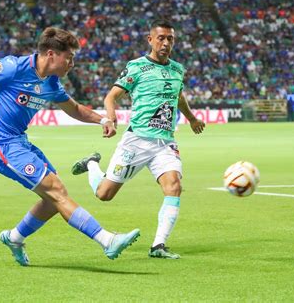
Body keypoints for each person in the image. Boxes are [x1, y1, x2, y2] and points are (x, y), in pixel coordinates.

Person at [0, 27, 140, 266]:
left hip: (20, 142)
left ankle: (14, 237)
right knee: (56, 191)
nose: (72, 63)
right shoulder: (13, 67)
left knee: (53, 200)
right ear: (52, 54)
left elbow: (75, 109)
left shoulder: (52, 83)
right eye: (69, 57)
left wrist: (103, 120)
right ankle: (107, 240)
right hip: (1, 144)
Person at [72, 20, 205, 259]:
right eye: (161, 38)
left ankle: (158, 246)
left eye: (170, 39)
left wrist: (192, 119)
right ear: (150, 40)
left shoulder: (177, 69)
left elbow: (179, 96)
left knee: (174, 186)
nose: (165, 43)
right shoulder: (136, 67)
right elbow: (111, 97)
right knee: (104, 194)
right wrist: (110, 120)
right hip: (137, 141)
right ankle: (92, 163)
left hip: (165, 143)